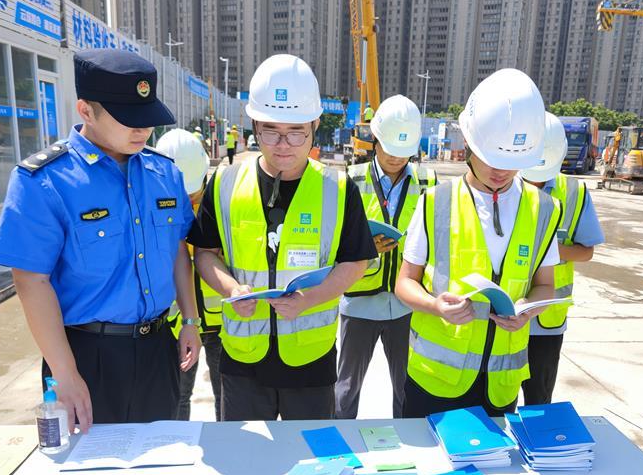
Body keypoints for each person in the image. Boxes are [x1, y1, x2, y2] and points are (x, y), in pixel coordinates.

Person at [0, 49, 201, 432]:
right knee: (90, 463)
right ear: (86, 111)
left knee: (162, 460)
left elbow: (176, 252)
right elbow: (31, 280)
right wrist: (65, 372)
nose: (142, 130)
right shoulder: (45, 181)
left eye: (148, 118)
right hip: (87, 357)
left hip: (158, 349)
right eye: (128, 119)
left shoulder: (164, 173)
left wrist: (190, 320)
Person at [189, 54, 376, 421]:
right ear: (254, 126)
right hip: (243, 360)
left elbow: (356, 261)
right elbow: (205, 253)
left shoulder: (338, 189)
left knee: (310, 454)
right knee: (246, 454)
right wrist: (230, 288)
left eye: (296, 132)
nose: (283, 144)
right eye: (270, 131)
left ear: (315, 125)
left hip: (310, 360)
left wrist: (310, 299)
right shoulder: (225, 183)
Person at [395, 68, 561, 418]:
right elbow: (405, 282)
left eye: (512, 163)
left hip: (499, 384)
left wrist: (529, 309)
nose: (500, 171)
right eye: (491, 158)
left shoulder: (544, 209)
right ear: (469, 143)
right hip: (435, 380)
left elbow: (546, 285)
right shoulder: (435, 202)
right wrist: (435, 305)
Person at [336, 95, 437, 418]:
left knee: (408, 389)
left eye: (403, 151)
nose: (396, 157)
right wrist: (363, 246)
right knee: (345, 390)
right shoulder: (350, 180)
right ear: (375, 140)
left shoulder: (429, 181)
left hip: (408, 305)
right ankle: (341, 440)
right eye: (390, 148)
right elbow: (332, 242)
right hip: (359, 301)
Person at [520, 113, 605, 404]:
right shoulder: (502, 186)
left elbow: (586, 251)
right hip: (505, 313)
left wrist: (546, 250)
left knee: (539, 399)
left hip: (547, 319)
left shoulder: (573, 191)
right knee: (497, 398)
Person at [157, 129, 224, 421]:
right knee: (178, 396)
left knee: (227, 395)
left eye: (193, 194)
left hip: (221, 321)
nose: (189, 199)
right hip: (177, 324)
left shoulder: (221, 201)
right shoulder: (154, 204)